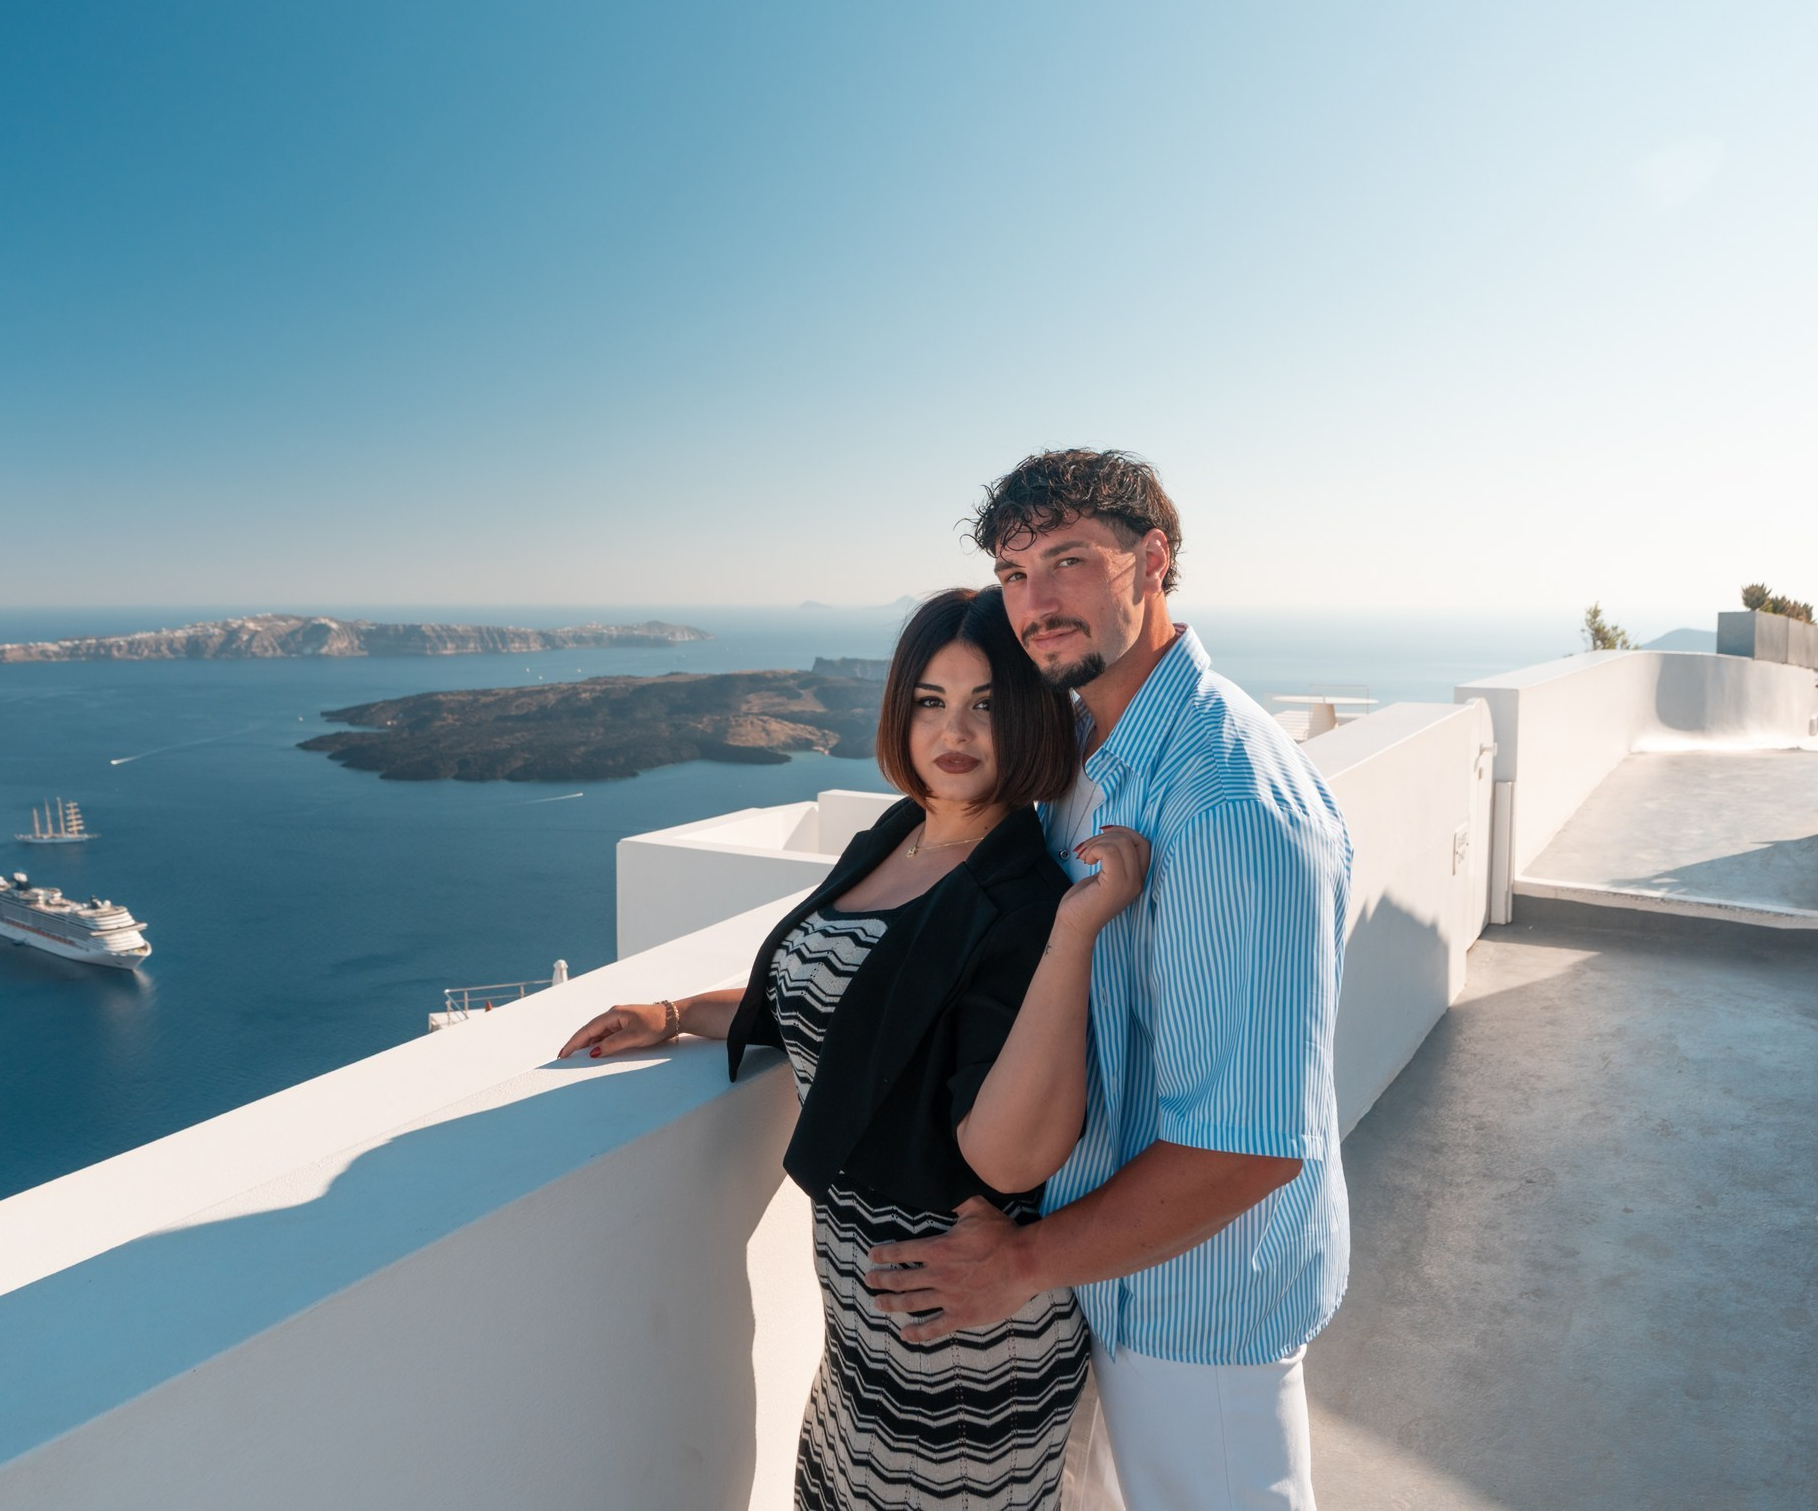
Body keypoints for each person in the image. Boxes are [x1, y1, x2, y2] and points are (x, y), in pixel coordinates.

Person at [559, 586, 1150, 1510]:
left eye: (987, 703)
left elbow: (1013, 1153)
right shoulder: (898, 835)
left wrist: (1075, 936)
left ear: (1031, 714)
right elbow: (828, 999)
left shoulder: (1023, 897)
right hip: (864, 1329)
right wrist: (678, 1011)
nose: (954, 730)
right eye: (931, 700)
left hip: (958, 1335)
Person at [861, 451, 1354, 1511]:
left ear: (1153, 561)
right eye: (1014, 570)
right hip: (1109, 1278)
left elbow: (1248, 1146)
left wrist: (1018, 1267)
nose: (1035, 603)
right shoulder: (1089, 747)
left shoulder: (1228, 805)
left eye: (1070, 561)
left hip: (1195, 1313)